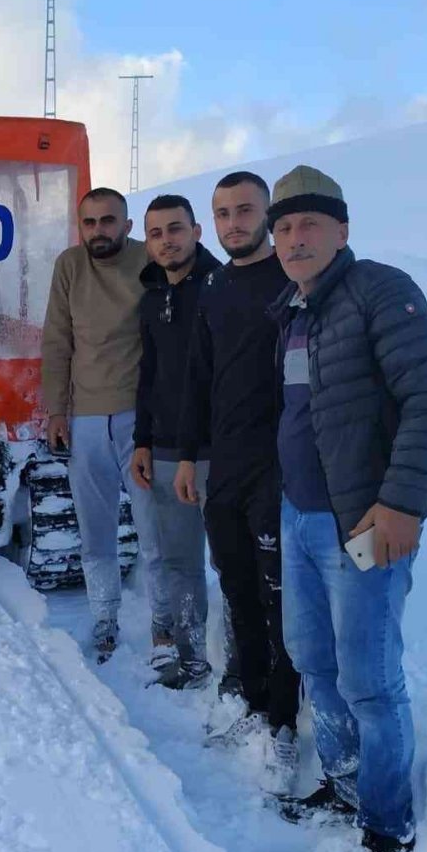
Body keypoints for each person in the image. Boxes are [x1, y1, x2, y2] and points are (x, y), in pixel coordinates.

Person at [267, 165, 427, 852]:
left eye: (309, 223)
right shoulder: (292, 311)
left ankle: (387, 825)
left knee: (370, 680)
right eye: (284, 227)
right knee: (311, 657)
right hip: (299, 516)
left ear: (342, 229)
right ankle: (345, 781)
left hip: (366, 523)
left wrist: (403, 503)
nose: (295, 237)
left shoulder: (379, 290)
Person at [174, 171, 301, 791]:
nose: (232, 224)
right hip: (224, 470)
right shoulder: (216, 287)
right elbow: (199, 380)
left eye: (244, 211)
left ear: (268, 215)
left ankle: (284, 726)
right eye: (222, 214)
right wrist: (192, 458)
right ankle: (253, 703)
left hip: (279, 473)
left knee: (281, 606)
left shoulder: (294, 285)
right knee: (240, 596)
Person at [41, 186, 169, 662]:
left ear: (128, 225)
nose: (99, 230)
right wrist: (56, 409)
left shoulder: (148, 261)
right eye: (90, 222)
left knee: (152, 530)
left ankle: (163, 627)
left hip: (140, 420)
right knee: (95, 533)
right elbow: (57, 341)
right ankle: (105, 619)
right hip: (86, 420)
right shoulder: (69, 266)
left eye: (109, 220)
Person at [130, 194, 221, 689]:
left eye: (176, 229)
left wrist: (193, 451)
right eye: (157, 233)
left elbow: (218, 381)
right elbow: (150, 375)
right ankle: (192, 660)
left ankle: (247, 674)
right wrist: (143, 441)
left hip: (215, 452)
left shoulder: (220, 289)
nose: (167, 240)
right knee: (179, 562)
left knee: (233, 566)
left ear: (196, 232)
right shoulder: (151, 298)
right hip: (163, 451)